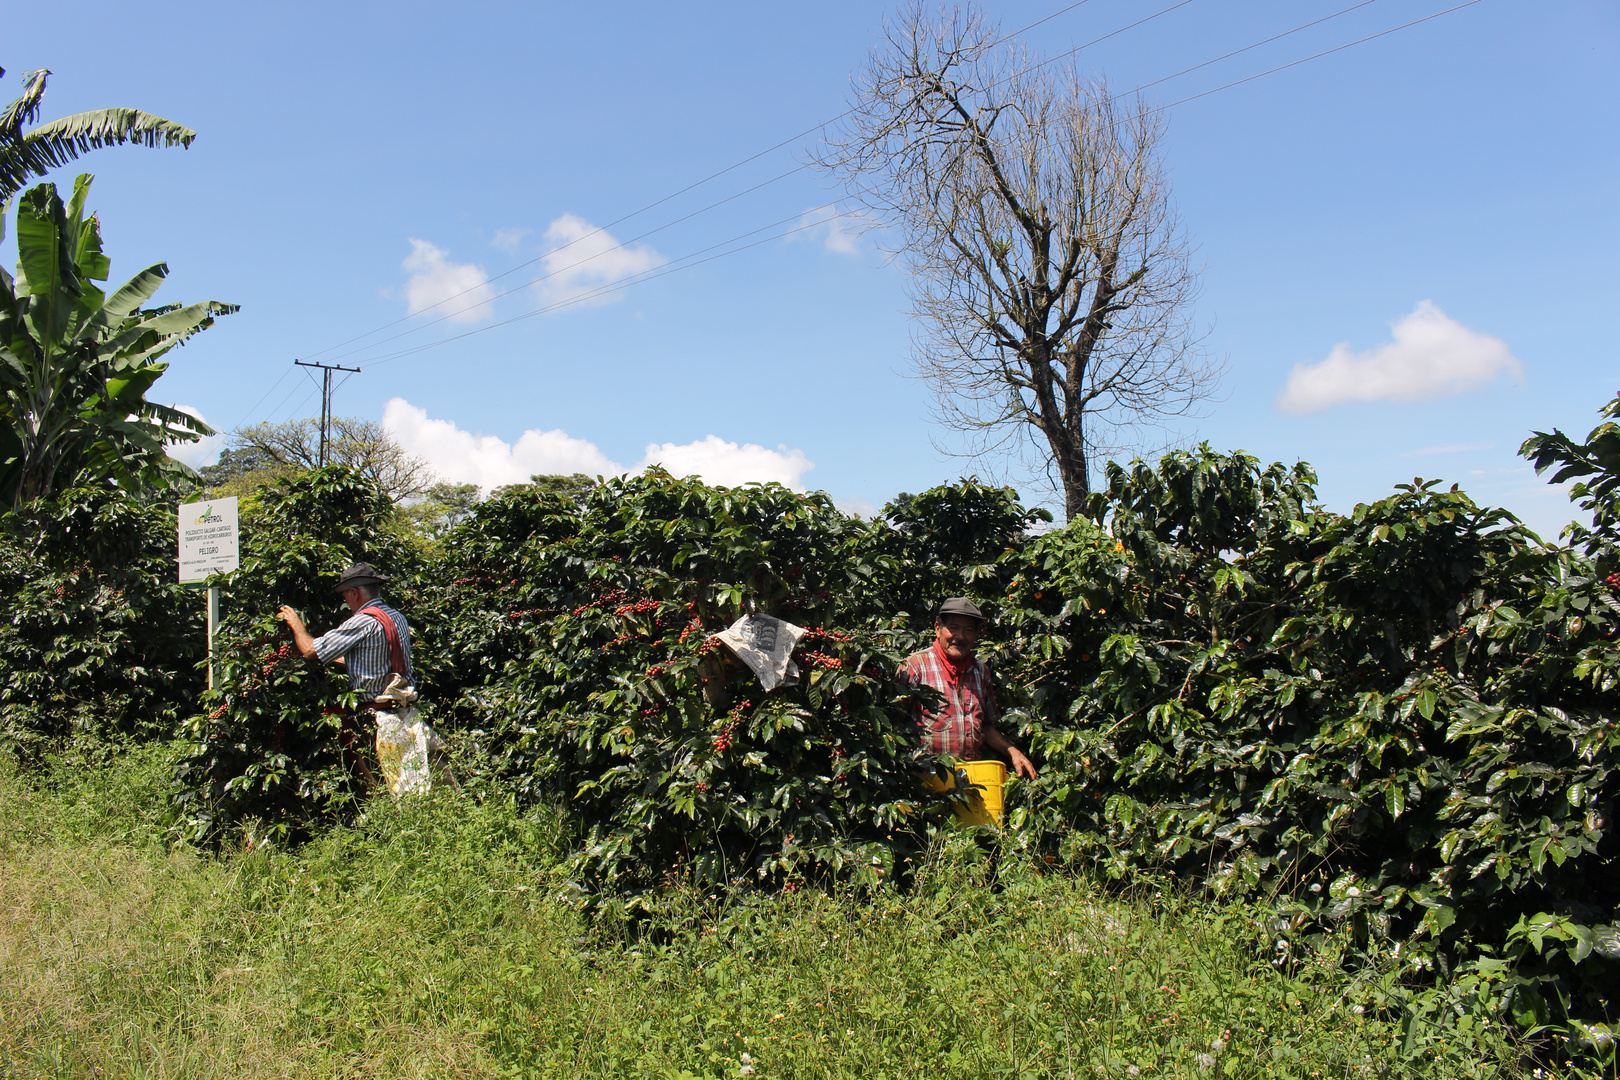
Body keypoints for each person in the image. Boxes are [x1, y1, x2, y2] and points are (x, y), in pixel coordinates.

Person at [278, 562, 429, 792]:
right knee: (411, 789)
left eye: (345, 596)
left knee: (381, 790)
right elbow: (377, 659)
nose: (346, 602)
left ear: (354, 592)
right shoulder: (398, 618)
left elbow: (309, 650)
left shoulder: (362, 621)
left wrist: (296, 625)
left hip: (375, 721)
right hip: (405, 714)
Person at [899, 597, 1037, 780]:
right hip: (924, 781)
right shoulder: (915, 666)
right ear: (938, 629)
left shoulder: (981, 672)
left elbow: (985, 726)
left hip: (970, 780)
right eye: (953, 628)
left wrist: (1012, 751)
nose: (961, 636)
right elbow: (894, 722)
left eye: (968, 630)